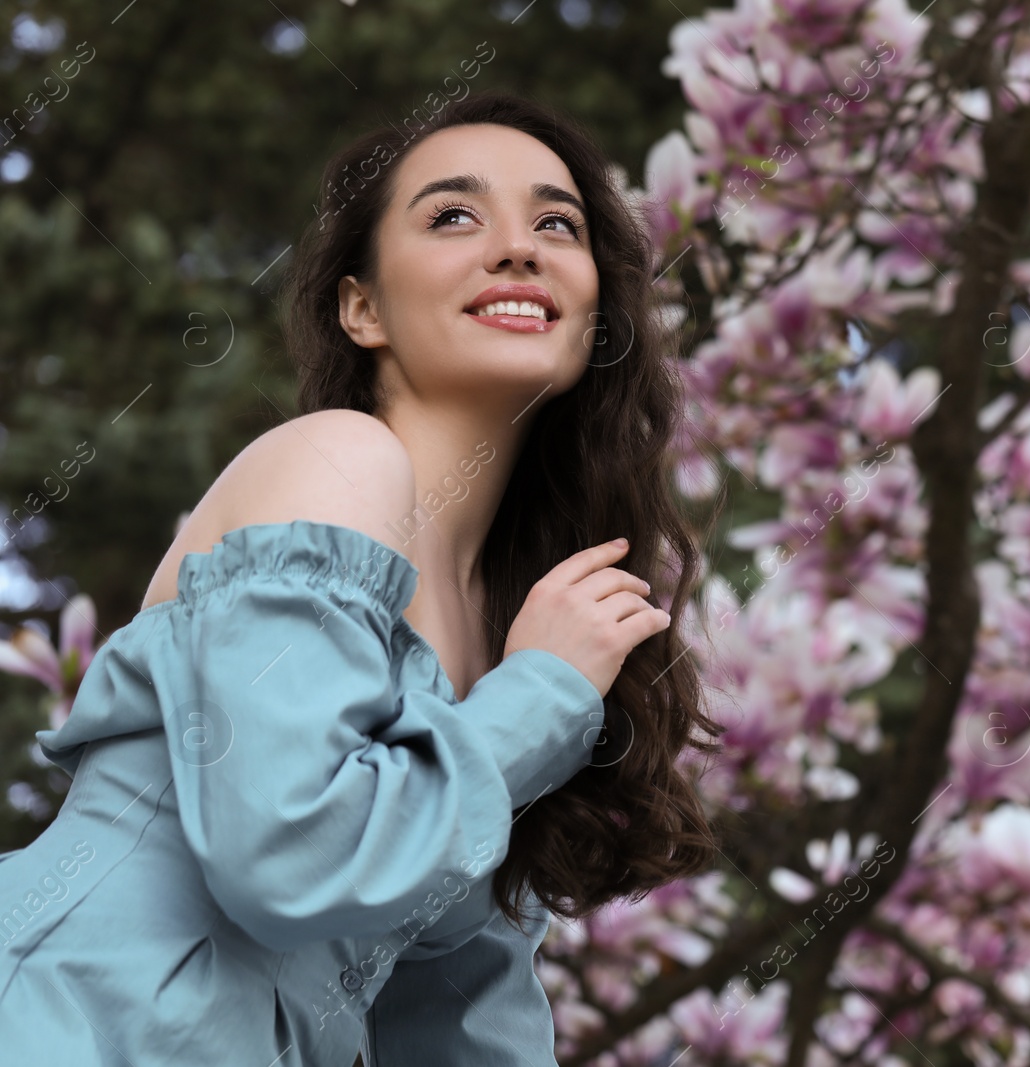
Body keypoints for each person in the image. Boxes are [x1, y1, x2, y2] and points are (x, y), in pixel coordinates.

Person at [0, 91, 721, 1065]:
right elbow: (287, 856)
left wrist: (526, 689)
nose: (519, 248)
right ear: (362, 305)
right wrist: (540, 693)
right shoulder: (337, 464)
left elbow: (459, 1012)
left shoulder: (512, 626)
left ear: (597, 316)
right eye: (453, 215)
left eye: (558, 223)